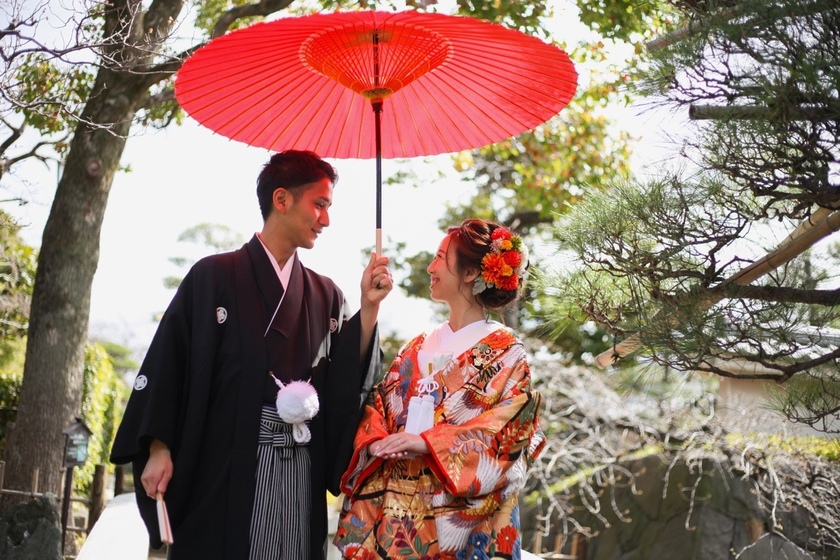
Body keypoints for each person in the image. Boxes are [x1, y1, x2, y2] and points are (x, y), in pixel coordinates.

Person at [110, 150, 393, 560]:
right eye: (319, 204)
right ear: (281, 200)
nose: (326, 219)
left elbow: (347, 380)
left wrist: (368, 309)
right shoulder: (213, 277)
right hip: (223, 464)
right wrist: (158, 447)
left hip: (300, 466)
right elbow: (170, 364)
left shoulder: (326, 294)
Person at [333, 218, 545, 560]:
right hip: (395, 518)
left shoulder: (507, 351)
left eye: (440, 257)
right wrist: (376, 441)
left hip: (458, 524)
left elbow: (509, 434)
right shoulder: (415, 346)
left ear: (471, 274)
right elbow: (376, 407)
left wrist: (428, 443)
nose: (431, 267)